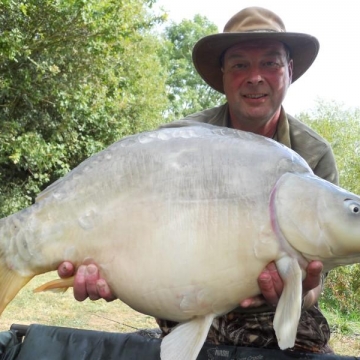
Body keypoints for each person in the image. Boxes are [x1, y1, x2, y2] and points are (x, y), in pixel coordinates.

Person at [57, 7, 338, 354]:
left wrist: (300, 289)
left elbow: (315, 283)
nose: (254, 77)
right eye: (239, 65)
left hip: (267, 311)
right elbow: (142, 229)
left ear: (289, 71)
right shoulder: (177, 142)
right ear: (223, 74)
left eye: (270, 63)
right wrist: (116, 273)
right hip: (183, 291)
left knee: (309, 332)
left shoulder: (313, 154)